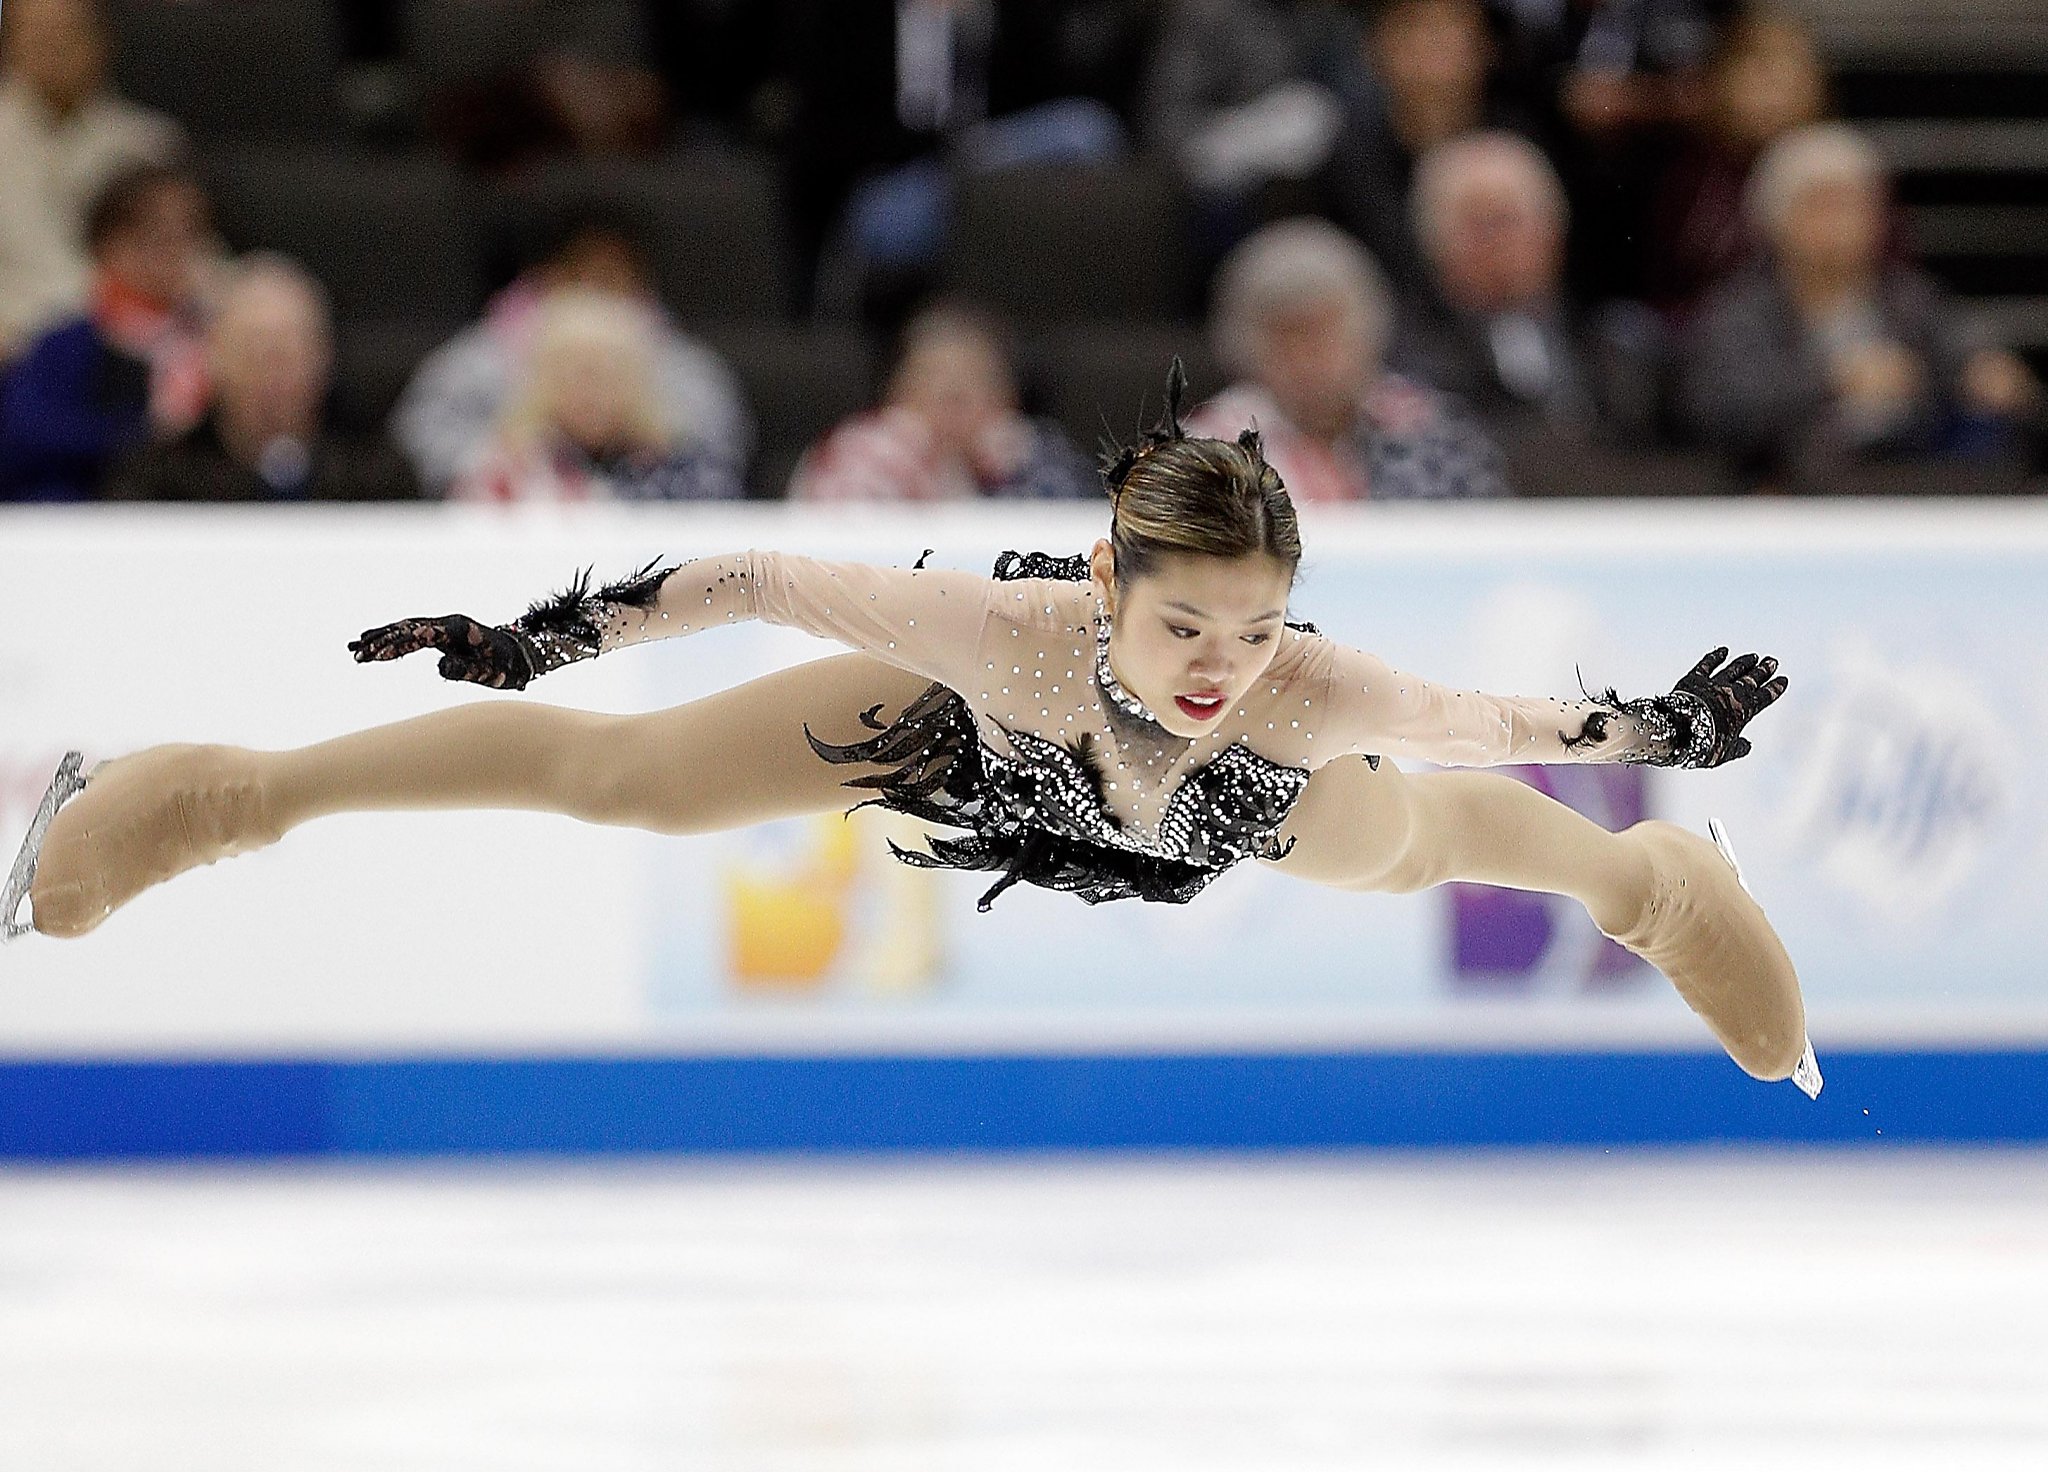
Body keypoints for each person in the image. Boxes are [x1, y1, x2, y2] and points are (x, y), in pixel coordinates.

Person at [8, 364, 1815, 1097]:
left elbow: (1491, 716)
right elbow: (764, 576)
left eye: (1248, 628)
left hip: (1241, 813)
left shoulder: (1290, 696)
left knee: (1402, 836)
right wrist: (542, 634)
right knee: (626, 785)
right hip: (983, 740)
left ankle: (1648, 886)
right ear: (1105, 580)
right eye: (1182, 624)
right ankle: (214, 793)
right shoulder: (1005, 630)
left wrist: (1654, 726)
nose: (1213, 660)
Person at [1678, 124, 2040, 488]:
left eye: (1856, 205)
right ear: (1774, 219)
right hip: (1789, 492)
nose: (1842, 224)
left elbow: (1963, 350)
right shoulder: (1739, 312)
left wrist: (1987, 372)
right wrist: (1832, 383)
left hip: (1911, 483)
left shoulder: (1911, 299)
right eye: (1823, 206)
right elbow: (1716, 410)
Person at [392, 212, 749, 496]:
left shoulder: (684, 463)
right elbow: (423, 436)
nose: (593, 293)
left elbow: (725, 456)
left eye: (608, 280)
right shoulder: (502, 467)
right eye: (581, 277)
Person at [1186, 217, 1507, 500]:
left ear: (1367, 332)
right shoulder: (1208, 453)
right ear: (1247, 348)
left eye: (1325, 335)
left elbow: (1489, 541)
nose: (1309, 362)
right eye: (1288, 341)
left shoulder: (1434, 431)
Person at [1392, 130, 1655, 440]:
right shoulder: (1410, 358)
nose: (1498, 243)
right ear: (1435, 244)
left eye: (1510, 219)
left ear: (1554, 235)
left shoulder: (1611, 346)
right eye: (1480, 225)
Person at [103, 255, 419, 503]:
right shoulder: (159, 480)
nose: (272, 374)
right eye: (252, 352)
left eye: (287, 352)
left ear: (323, 359)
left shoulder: (378, 474)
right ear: (215, 359)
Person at [0, 161, 213, 502]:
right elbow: (22, 438)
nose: (172, 253)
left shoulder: (218, 340)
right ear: (108, 245)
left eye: (187, 235)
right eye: (153, 238)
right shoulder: (66, 346)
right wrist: (135, 430)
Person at [0, 0, 184, 361]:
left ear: (101, 41)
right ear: (9, 44)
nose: (50, 47)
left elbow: (192, 264)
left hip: (129, 355)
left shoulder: (148, 147)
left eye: (64, 32)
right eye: (34, 33)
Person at [451, 289, 743, 503]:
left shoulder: (690, 471)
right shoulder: (505, 471)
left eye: (606, 373)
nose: (590, 390)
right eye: (573, 373)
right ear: (541, 381)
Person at [788, 301, 1097, 502]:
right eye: (933, 376)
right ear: (896, 392)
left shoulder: (1036, 456)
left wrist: (1006, 469)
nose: (952, 396)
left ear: (1009, 398)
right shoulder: (860, 454)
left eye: (974, 379)